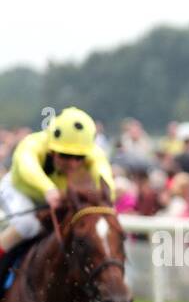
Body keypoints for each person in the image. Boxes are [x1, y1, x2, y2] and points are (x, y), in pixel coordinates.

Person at [0, 107, 116, 275]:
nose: (73, 164)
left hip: (54, 197)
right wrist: (48, 189)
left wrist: (108, 199)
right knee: (28, 224)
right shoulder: (33, 143)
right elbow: (27, 167)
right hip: (18, 191)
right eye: (65, 155)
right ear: (52, 150)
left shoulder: (94, 154)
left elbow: (105, 178)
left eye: (79, 158)